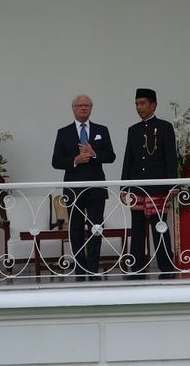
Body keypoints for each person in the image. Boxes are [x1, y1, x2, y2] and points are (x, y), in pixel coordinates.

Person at [52, 94, 115, 280]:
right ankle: (80, 269)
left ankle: (92, 269)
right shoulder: (63, 132)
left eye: (87, 105)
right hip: (74, 188)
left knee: (96, 228)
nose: (83, 108)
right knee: (76, 230)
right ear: (73, 108)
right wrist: (75, 160)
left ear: (91, 108)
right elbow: (55, 161)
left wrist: (95, 154)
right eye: (79, 105)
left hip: (96, 187)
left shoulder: (101, 130)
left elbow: (111, 156)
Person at [121, 88, 177, 279]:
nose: (139, 107)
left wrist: (174, 185)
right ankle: (136, 269)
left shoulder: (165, 127)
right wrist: (123, 187)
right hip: (137, 187)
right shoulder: (133, 130)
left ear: (153, 105)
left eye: (143, 103)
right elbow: (128, 160)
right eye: (137, 104)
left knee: (160, 228)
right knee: (137, 230)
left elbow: (171, 158)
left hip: (158, 187)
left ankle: (166, 267)